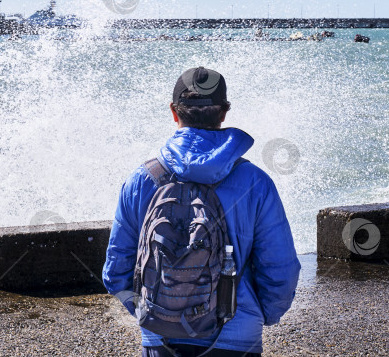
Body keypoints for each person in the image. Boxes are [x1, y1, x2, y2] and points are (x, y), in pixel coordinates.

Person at [103, 67, 300, 357]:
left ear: (173, 111)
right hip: (236, 338)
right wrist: (259, 315)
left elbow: (116, 270)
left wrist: (155, 314)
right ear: (224, 113)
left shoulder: (142, 179)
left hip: (160, 339)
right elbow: (280, 268)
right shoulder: (255, 182)